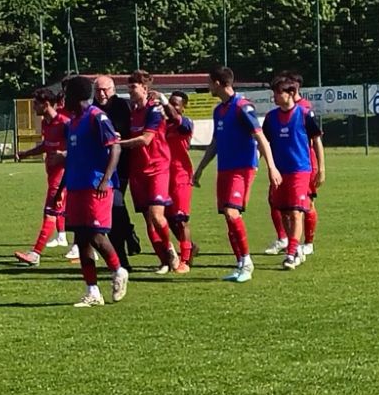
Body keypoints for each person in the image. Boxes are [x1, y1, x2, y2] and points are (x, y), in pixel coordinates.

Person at [193, 66, 281, 283]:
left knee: (233, 213)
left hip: (242, 169)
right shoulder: (218, 110)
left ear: (218, 83)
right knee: (227, 215)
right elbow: (215, 143)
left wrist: (271, 167)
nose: (207, 86)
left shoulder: (243, 107)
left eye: (209, 82)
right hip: (224, 168)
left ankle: (247, 263)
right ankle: (240, 262)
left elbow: (261, 137)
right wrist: (200, 168)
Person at [58, 75, 128, 307]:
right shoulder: (72, 123)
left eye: (66, 94)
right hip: (76, 187)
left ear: (76, 95)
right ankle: (93, 291)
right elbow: (72, 160)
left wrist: (105, 179)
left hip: (95, 186)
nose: (63, 98)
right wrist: (60, 190)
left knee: (96, 235)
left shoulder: (96, 117)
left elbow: (115, 148)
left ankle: (118, 270)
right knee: (81, 238)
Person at [262, 73, 324, 269]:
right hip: (280, 172)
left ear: (290, 93)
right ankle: (295, 248)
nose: (274, 97)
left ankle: (291, 254)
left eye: (278, 93)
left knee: (297, 211)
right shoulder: (271, 118)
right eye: (273, 93)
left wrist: (321, 168)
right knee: (285, 212)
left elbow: (317, 141)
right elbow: (264, 143)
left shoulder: (305, 115)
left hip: (300, 170)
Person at [119, 70, 178, 274]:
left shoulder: (154, 110)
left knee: (156, 215)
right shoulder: (132, 112)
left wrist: (117, 143)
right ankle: (164, 261)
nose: (130, 91)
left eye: (133, 87)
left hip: (157, 168)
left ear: (145, 88)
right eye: (128, 87)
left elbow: (146, 139)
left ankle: (170, 249)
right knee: (148, 219)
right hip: (138, 171)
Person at [14, 87, 70, 266]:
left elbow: (78, 148)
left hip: (62, 176)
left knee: (50, 213)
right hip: (52, 175)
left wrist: (64, 155)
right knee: (62, 213)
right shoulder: (46, 123)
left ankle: (35, 254)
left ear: (46, 104)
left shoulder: (65, 123)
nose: (33, 108)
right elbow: (46, 145)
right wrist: (26, 154)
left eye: (36, 104)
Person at [91, 75, 141, 270]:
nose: (102, 94)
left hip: (123, 166)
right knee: (114, 209)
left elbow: (134, 130)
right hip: (102, 169)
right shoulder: (91, 110)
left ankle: (126, 237)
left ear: (113, 89)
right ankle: (123, 253)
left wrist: (118, 137)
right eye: (98, 90)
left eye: (105, 90)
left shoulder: (123, 106)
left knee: (116, 207)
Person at [161, 90, 197, 271]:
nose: (172, 107)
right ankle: (190, 247)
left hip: (180, 177)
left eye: (176, 104)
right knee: (167, 218)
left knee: (181, 220)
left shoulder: (186, 123)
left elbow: (177, 119)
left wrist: (163, 101)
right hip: (164, 177)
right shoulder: (163, 125)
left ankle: (185, 260)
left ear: (183, 107)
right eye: (170, 102)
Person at [292, 72, 325, 257]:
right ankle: (287, 241)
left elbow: (315, 139)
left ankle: (308, 243)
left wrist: (321, 168)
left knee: (307, 203)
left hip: (305, 162)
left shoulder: (304, 108)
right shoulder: (280, 110)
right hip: (287, 164)